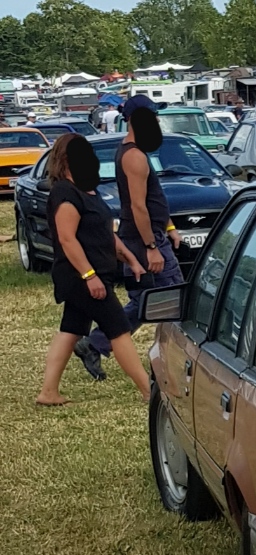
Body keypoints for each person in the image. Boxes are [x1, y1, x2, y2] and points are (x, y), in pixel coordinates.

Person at [74, 95, 184, 380]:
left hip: (148, 236)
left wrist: (169, 227)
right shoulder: (133, 156)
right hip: (142, 240)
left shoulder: (136, 152)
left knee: (151, 300)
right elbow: (138, 206)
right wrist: (151, 247)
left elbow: (153, 199)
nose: (157, 120)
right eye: (152, 116)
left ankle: (96, 342)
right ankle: (98, 343)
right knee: (168, 298)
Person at [36, 134, 150, 405]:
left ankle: (48, 392)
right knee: (118, 329)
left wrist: (130, 259)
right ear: (66, 159)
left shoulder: (89, 190)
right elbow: (67, 239)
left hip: (97, 274)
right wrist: (89, 276)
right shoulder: (65, 193)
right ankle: (149, 390)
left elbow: (105, 233)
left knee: (71, 329)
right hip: (80, 277)